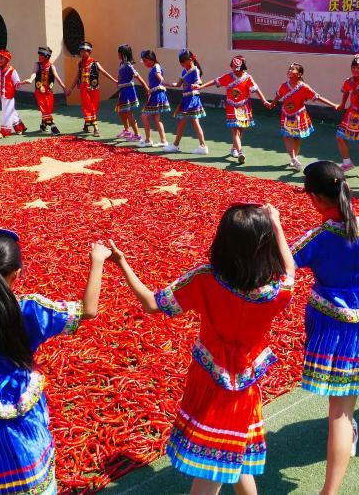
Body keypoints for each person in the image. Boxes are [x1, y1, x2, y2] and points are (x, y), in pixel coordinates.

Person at [107, 204, 293, 492]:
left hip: (210, 382)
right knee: (236, 454)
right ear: (265, 245)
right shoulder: (277, 291)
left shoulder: (206, 279)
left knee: (212, 470)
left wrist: (122, 264)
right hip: (246, 384)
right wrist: (277, 224)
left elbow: (153, 304)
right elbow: (290, 267)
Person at [0, 229, 105, 494]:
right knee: (33, 483)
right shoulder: (30, 311)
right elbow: (89, 309)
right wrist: (98, 260)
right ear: (17, 274)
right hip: (26, 422)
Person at [291, 161, 359, 494]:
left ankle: (329, 491)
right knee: (345, 402)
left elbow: (284, 263)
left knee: (337, 410)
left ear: (317, 199)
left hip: (327, 320)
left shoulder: (318, 238)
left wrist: (275, 227)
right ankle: (349, 433)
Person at [266, 62, 338, 171]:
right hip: (286, 114)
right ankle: (294, 158)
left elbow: (318, 97)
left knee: (297, 137)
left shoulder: (304, 87)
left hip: (298, 116)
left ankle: (294, 157)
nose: (289, 71)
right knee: (287, 136)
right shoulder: (284, 85)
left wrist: (333, 105)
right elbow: (279, 95)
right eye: (289, 69)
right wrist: (272, 103)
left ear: (299, 74)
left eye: (292, 69)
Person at [199, 55, 270, 165]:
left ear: (242, 67)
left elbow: (256, 89)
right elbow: (215, 81)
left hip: (243, 107)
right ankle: (240, 152)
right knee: (235, 130)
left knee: (241, 129)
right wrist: (201, 87)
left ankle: (234, 148)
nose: (234, 70)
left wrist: (264, 101)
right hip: (232, 106)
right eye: (232, 67)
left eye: (236, 67)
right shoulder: (228, 77)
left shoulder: (247, 78)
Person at [65, 41, 115, 137]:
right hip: (84, 89)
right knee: (88, 107)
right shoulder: (80, 64)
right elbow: (77, 77)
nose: (82, 54)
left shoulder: (95, 63)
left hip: (94, 89)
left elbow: (103, 72)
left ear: (89, 52)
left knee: (94, 107)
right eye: (81, 52)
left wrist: (114, 80)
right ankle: (96, 128)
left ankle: (86, 125)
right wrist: (71, 88)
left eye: (84, 51)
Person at [163, 49, 208, 155]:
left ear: (191, 59)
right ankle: (202, 146)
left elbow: (199, 81)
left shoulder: (195, 70)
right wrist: (169, 84)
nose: (182, 64)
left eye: (184, 62)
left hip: (192, 98)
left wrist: (197, 84)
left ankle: (176, 145)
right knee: (192, 122)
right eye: (181, 62)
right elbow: (179, 84)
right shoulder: (184, 71)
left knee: (183, 121)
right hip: (186, 99)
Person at [18, 47, 65, 135]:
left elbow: (57, 78)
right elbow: (34, 73)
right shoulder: (37, 64)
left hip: (49, 92)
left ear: (47, 57)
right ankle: (53, 127)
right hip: (39, 92)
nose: (39, 57)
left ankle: (43, 126)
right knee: (45, 109)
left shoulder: (52, 66)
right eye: (39, 55)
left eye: (41, 55)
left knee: (48, 110)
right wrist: (30, 79)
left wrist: (64, 88)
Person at [111, 44, 148, 142]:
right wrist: (118, 82)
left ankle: (137, 135)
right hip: (122, 90)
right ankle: (127, 131)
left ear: (123, 54)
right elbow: (119, 75)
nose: (117, 54)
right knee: (120, 111)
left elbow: (138, 76)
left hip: (128, 91)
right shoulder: (121, 64)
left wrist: (146, 88)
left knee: (128, 113)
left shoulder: (129, 66)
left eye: (119, 52)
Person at [136, 49, 170, 148]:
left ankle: (148, 140)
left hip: (157, 95)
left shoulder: (156, 67)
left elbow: (160, 78)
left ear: (151, 59)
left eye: (145, 61)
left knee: (144, 115)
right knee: (156, 118)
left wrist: (167, 83)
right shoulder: (154, 67)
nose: (144, 63)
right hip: (155, 94)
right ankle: (163, 140)